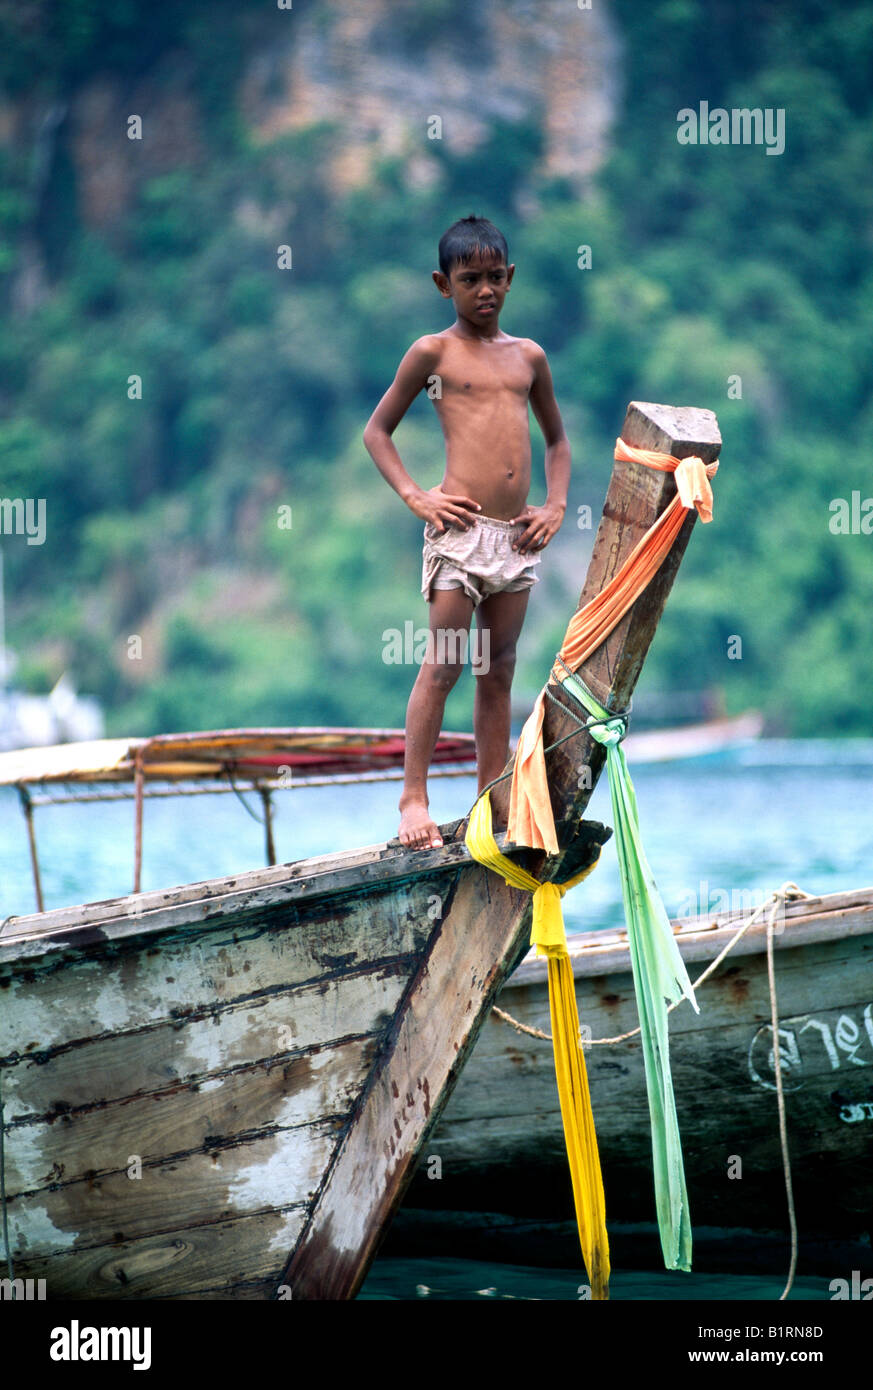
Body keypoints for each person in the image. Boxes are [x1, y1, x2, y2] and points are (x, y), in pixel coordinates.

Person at [363, 215, 570, 850]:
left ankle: (492, 798)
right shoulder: (433, 353)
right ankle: (413, 800)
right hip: (461, 531)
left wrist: (555, 506)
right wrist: (417, 497)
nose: (484, 290)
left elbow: (558, 440)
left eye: (495, 278)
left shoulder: (528, 357)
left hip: (515, 539)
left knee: (499, 667)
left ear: (511, 279)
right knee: (446, 662)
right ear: (442, 284)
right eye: (469, 279)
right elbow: (377, 432)